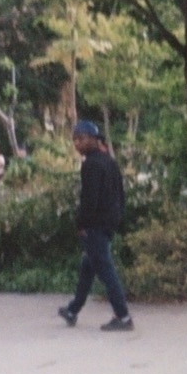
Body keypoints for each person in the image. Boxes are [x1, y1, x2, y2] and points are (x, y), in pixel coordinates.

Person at [57, 121, 134, 331]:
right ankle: (72, 310)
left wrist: (82, 223)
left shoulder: (91, 164)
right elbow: (120, 194)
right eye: (74, 139)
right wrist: (116, 218)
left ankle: (123, 316)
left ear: (93, 139)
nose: (77, 143)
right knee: (87, 267)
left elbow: (89, 199)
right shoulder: (109, 161)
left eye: (81, 139)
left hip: (95, 225)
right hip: (108, 222)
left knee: (105, 270)